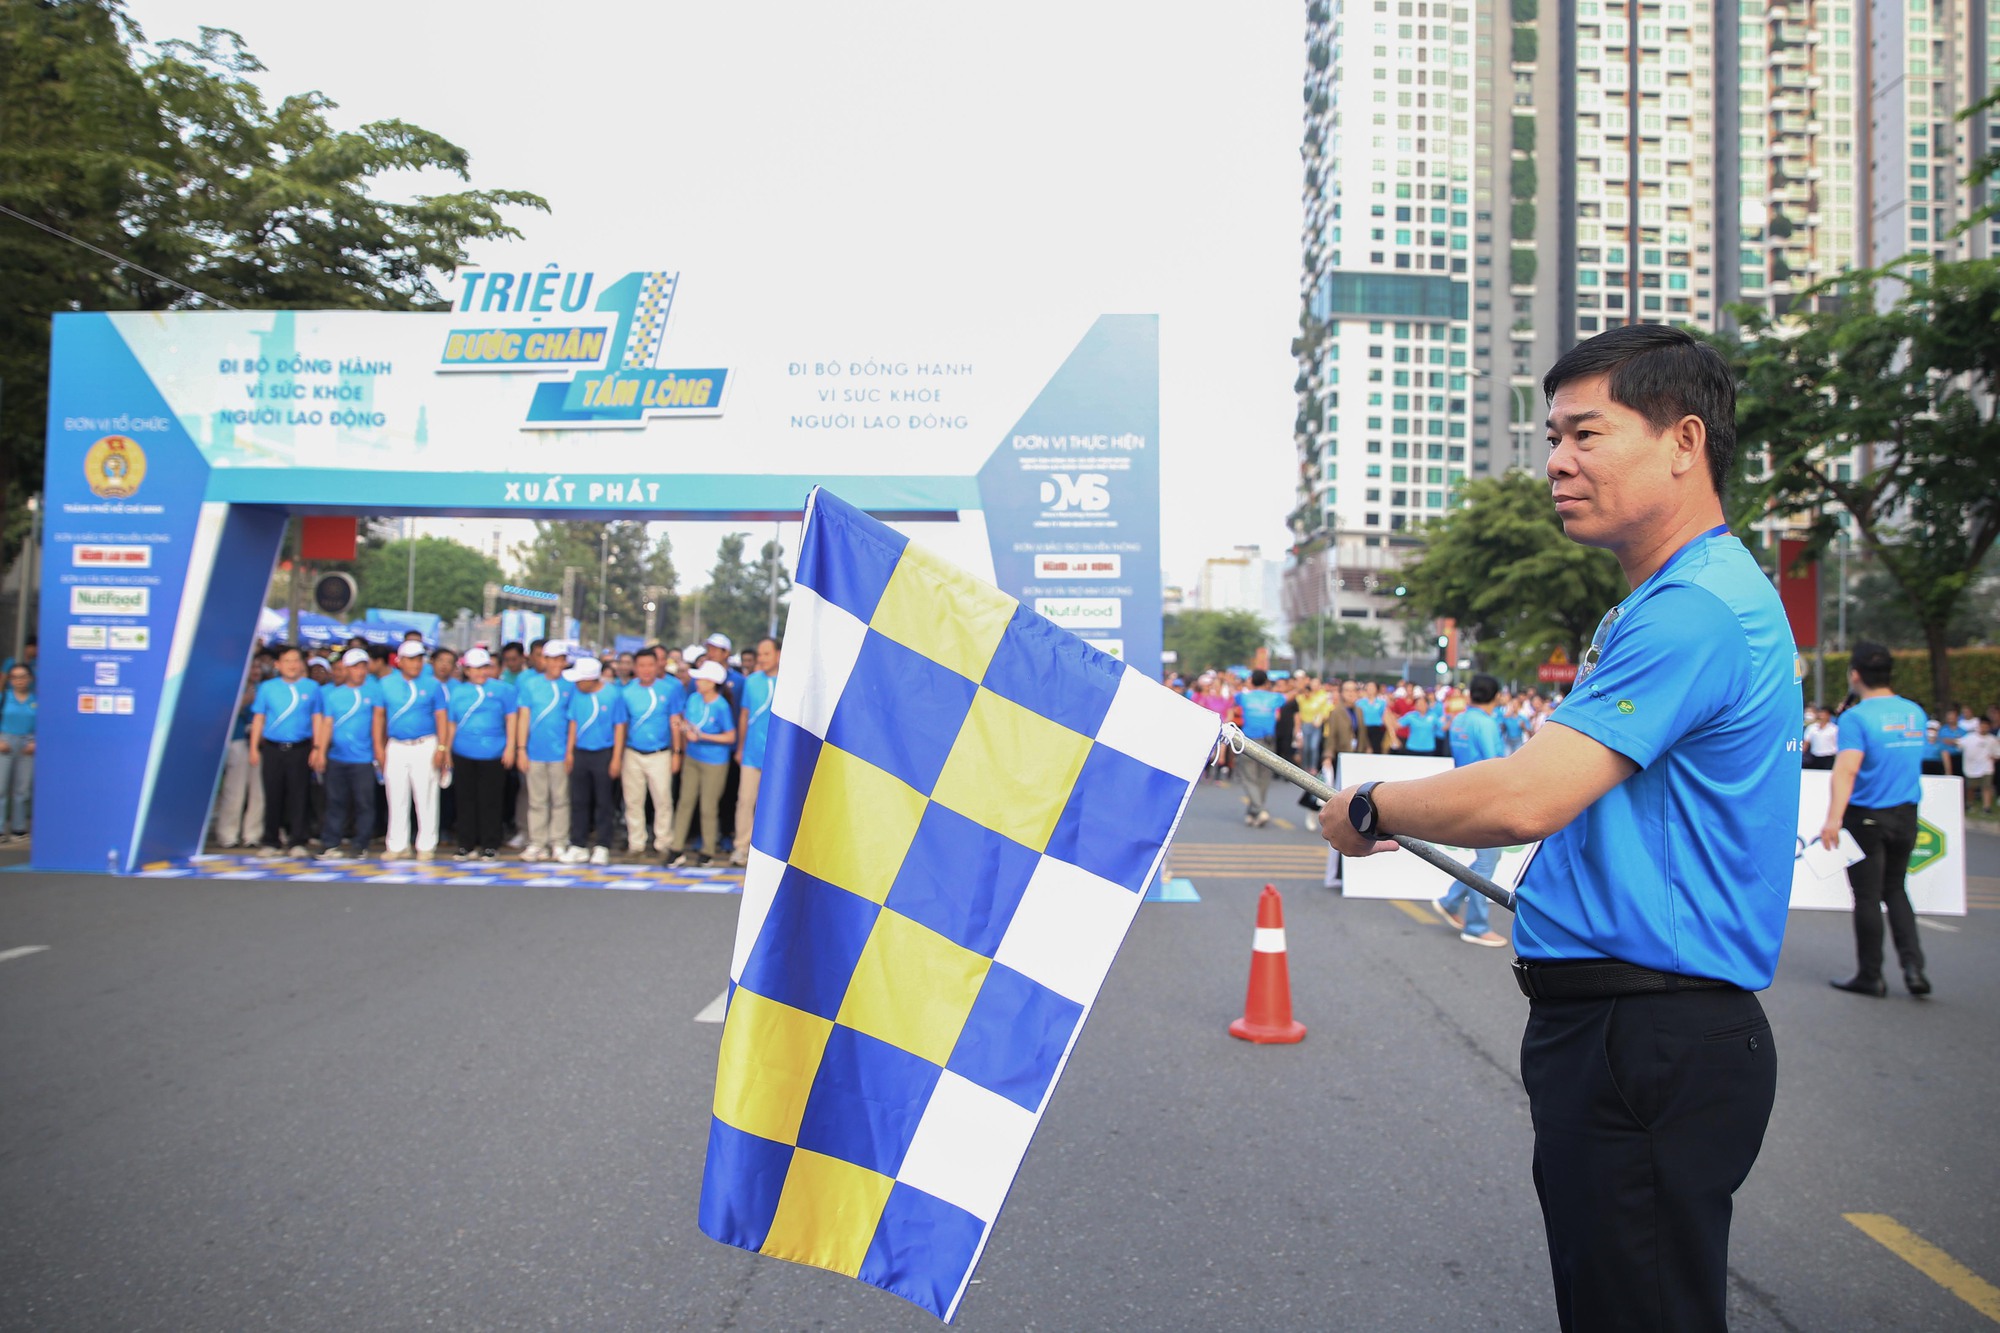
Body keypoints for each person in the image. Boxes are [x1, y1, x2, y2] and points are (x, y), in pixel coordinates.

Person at [1317, 324, 1796, 1332]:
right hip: (1632, 1025)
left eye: (1585, 433)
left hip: (1646, 1032)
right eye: (1550, 437)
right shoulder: (1674, 600)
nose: (1554, 463)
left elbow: (1527, 796)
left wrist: (1370, 806)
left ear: (1683, 440)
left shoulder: (1692, 612)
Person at [1819, 642, 1931, 998]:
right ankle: (1913, 968)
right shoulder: (1915, 712)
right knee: (1896, 890)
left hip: (1867, 815)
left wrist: (1833, 819)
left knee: (1867, 897)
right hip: (1907, 814)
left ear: (1855, 674)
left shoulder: (1856, 717)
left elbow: (1847, 770)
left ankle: (1871, 975)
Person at [1433, 673, 1509, 947]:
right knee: (1487, 863)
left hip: (1463, 791)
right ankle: (1476, 925)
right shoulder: (1486, 723)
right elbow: (1495, 763)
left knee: (1484, 861)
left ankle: (1451, 900)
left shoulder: (1460, 719)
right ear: (1496, 695)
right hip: (1485, 797)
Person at [375, 640, 449, 860]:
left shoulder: (433, 685)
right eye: (411, 659)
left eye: (419, 659)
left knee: (426, 795)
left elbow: (441, 717)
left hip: (425, 744)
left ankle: (426, 844)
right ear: (400, 661)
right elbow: (379, 717)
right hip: (397, 745)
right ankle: (397, 844)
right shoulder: (386, 684)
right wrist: (379, 748)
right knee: (396, 795)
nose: (416, 663)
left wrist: (442, 748)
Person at [248, 644, 323, 857]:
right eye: (287, 661)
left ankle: (297, 840)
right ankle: (271, 840)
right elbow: (259, 718)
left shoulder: (311, 687)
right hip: (272, 749)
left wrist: (317, 748)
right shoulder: (267, 688)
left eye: (296, 661)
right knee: (272, 794)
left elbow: (317, 718)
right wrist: (254, 748)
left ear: (302, 664)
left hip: (300, 748)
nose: (292, 665)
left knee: (299, 795)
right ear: (278, 665)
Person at [446, 647, 517, 861]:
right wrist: (446, 750)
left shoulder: (504, 690)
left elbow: (511, 718)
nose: (480, 673)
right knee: (465, 799)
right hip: (463, 751)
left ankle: (490, 843)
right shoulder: (457, 691)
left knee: (491, 800)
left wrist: (511, 747)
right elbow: (451, 723)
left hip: (494, 752)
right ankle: (466, 843)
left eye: (484, 667)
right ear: (466, 670)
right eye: (475, 669)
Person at [315, 649, 383, 859]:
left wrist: (379, 751)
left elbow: (378, 722)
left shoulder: (374, 692)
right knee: (335, 801)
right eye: (355, 667)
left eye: (363, 666)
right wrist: (320, 751)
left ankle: (360, 843)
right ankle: (330, 842)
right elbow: (327, 724)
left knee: (364, 803)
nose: (360, 671)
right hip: (337, 757)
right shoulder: (333, 695)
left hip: (363, 758)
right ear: (345, 668)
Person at [669, 660, 737, 866]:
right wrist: (682, 726)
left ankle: (707, 851)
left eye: (702, 679)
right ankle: (676, 848)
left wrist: (704, 736)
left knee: (708, 806)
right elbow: (689, 724)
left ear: (712, 682)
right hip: (693, 758)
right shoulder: (693, 699)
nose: (698, 681)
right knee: (685, 802)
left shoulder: (721, 706)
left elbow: (730, 736)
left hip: (715, 762)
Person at [561, 656, 626, 865]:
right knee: (579, 800)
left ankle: (602, 845)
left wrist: (616, 758)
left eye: (581, 680)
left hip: (603, 753)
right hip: (581, 753)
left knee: (603, 802)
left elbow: (619, 726)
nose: (577, 683)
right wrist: (569, 752)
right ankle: (578, 844)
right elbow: (573, 723)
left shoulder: (613, 694)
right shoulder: (577, 694)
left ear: (591, 679)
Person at [619, 646, 681, 859]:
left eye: (650, 665)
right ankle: (636, 844)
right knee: (633, 801)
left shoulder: (670, 689)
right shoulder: (626, 692)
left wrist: (677, 753)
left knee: (663, 800)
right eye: (642, 665)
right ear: (635, 668)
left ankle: (663, 842)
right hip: (633, 753)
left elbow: (675, 722)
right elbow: (622, 725)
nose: (646, 670)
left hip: (660, 753)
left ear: (658, 666)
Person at [515, 640, 574, 862]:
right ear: (543, 660)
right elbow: (523, 718)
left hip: (560, 753)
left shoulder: (571, 686)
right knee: (536, 800)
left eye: (561, 659)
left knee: (560, 799)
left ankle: (558, 841)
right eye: (552, 659)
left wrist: (570, 752)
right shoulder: (531, 685)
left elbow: (573, 722)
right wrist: (521, 748)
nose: (557, 663)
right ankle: (537, 843)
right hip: (535, 751)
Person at [733, 636, 781, 866]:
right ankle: (741, 847)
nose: (761, 658)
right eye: (759, 654)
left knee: (775, 803)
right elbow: (744, 715)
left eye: (766, 654)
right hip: (752, 753)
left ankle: (773, 852)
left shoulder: (789, 679)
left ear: (779, 655)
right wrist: (741, 747)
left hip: (778, 756)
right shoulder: (751, 681)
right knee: (745, 800)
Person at [212, 672, 266, 848]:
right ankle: (228, 834)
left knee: (258, 792)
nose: (256, 670)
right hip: (237, 739)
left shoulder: (263, 688)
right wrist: (245, 700)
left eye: (258, 667)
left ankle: (253, 834)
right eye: (253, 666)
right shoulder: (231, 687)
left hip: (260, 743)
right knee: (234, 790)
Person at [1233, 669, 1284, 827]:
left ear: (1251, 681)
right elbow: (1286, 697)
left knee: (1249, 778)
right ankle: (1255, 811)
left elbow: (1235, 695)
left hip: (1249, 741)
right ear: (1267, 682)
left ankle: (1257, 810)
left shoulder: (1244, 697)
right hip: (1268, 741)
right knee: (1263, 778)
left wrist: (1246, 684)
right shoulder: (1275, 697)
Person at [0, 663, 37, 840]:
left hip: (27, 744)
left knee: (22, 789)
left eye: (23, 676)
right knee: (1, 787)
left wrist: (35, 742)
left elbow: (43, 724)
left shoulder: (36, 700)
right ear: (10, 680)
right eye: (15, 677)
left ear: (30, 678)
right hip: (5, 741)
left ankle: (19, 828)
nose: (19, 680)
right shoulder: (4, 697)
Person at [1958, 716, 1998, 814]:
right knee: (1971, 787)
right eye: (1982, 725)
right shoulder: (1969, 737)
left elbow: (1997, 753)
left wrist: (1994, 758)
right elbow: (1959, 744)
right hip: (1971, 767)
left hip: (1986, 767)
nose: (1984, 728)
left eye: (1986, 726)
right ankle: (1969, 803)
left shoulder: (1992, 739)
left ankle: (1986, 807)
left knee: (1986, 787)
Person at [1802, 705, 1840, 770]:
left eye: (1824, 714)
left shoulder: (1834, 729)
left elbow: (1838, 744)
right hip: (1815, 757)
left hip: (1828, 757)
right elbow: (1806, 743)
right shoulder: (1812, 728)